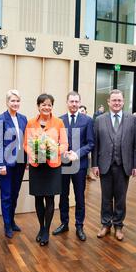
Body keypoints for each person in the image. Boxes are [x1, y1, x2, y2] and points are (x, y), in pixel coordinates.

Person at [92, 89, 136, 241]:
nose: (117, 103)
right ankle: (106, 224)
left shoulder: (132, 120)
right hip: (104, 164)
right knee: (106, 197)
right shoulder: (99, 120)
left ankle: (118, 225)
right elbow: (96, 145)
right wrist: (94, 165)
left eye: (119, 100)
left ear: (123, 101)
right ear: (108, 102)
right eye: (114, 100)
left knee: (120, 197)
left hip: (124, 165)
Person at [24, 93, 68, 246]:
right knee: (38, 198)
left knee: (49, 199)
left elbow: (64, 144)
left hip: (52, 166)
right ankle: (41, 227)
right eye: (43, 104)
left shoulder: (59, 123)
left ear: (52, 107)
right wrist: (34, 153)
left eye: (49, 105)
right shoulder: (30, 123)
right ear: (38, 106)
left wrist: (53, 149)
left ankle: (46, 231)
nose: (46, 107)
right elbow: (26, 145)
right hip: (37, 166)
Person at [53, 91, 94, 241]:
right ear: (67, 102)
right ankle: (64, 223)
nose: (74, 104)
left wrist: (77, 153)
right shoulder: (59, 120)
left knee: (79, 197)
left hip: (79, 165)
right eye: (72, 101)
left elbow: (90, 143)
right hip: (63, 164)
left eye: (77, 101)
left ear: (80, 102)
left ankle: (79, 225)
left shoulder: (88, 120)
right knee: (63, 196)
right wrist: (60, 151)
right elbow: (55, 142)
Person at [0, 90, 27, 238]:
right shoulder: (1, 118)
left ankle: (12, 221)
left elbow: (25, 141)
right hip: (5, 165)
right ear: (7, 102)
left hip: (20, 163)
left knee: (15, 194)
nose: (15, 103)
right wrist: (1, 164)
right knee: (6, 195)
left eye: (17, 101)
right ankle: (7, 225)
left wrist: (27, 160)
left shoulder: (23, 119)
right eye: (13, 101)